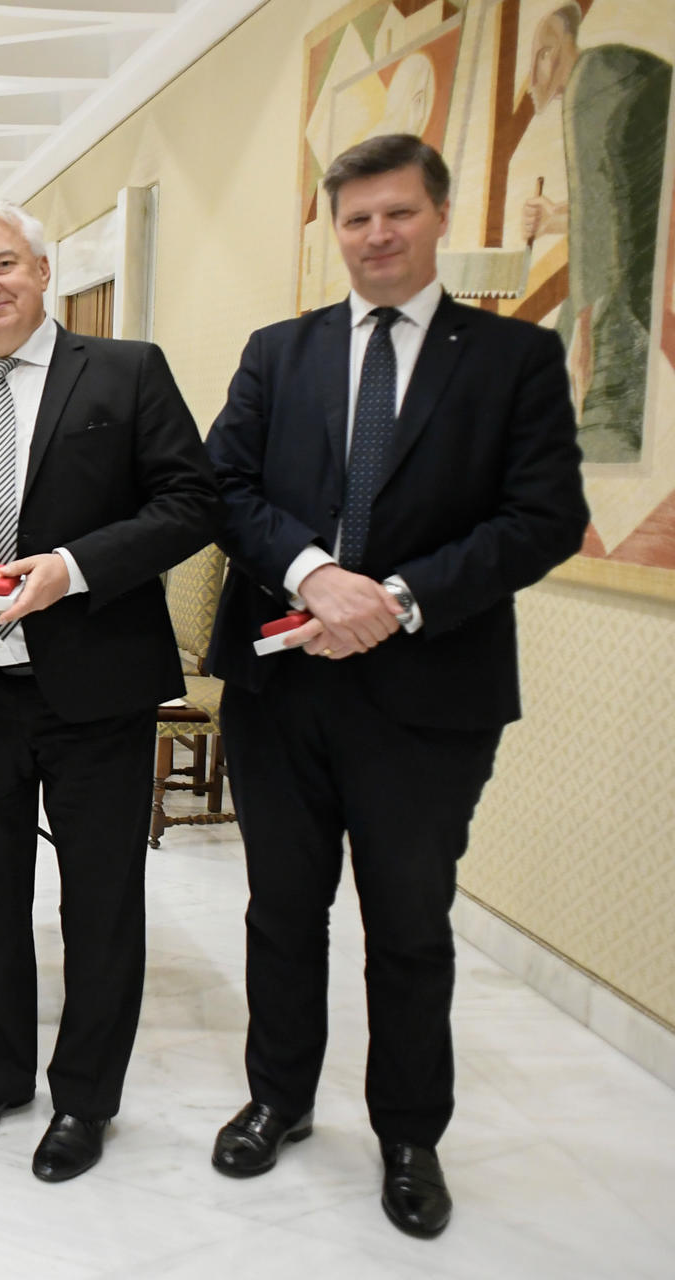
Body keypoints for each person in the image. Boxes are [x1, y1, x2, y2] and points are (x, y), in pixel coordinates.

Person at [205, 135, 589, 1237]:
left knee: (408, 925)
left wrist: (400, 597)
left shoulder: (510, 360)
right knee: (281, 911)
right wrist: (318, 576)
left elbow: (543, 517)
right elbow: (225, 487)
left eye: (398, 215)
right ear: (336, 230)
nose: (377, 236)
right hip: (282, 688)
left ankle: (410, 1132)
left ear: (438, 216)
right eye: (357, 219)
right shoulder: (280, 353)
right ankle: (277, 1096)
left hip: (431, 698)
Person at [0, 201, 220, 1180]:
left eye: (2, 265)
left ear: (42, 268)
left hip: (95, 686)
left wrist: (70, 566)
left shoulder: (125, 372)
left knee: (100, 901)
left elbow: (189, 502)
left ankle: (85, 1099)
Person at [519, 3, 670, 463]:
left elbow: (604, 227)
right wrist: (555, 219)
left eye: (537, 58)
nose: (531, 80)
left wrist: (586, 328)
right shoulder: (610, 71)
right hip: (647, 268)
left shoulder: (591, 80)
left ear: (553, 52)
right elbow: (613, 192)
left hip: (637, 301)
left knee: (603, 427)